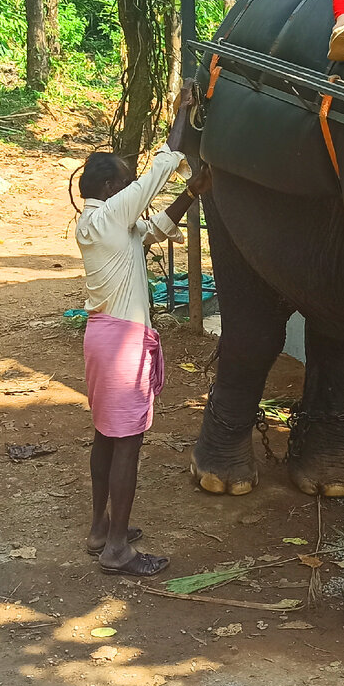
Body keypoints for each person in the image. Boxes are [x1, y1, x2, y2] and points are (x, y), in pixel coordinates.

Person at [73, 112, 211, 577]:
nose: (133, 188)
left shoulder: (103, 223)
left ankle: (100, 530)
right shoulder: (111, 215)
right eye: (126, 181)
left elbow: (153, 231)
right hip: (121, 345)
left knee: (106, 438)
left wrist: (191, 193)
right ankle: (116, 550)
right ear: (111, 186)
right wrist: (182, 113)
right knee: (127, 443)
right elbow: (158, 172)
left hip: (104, 340)